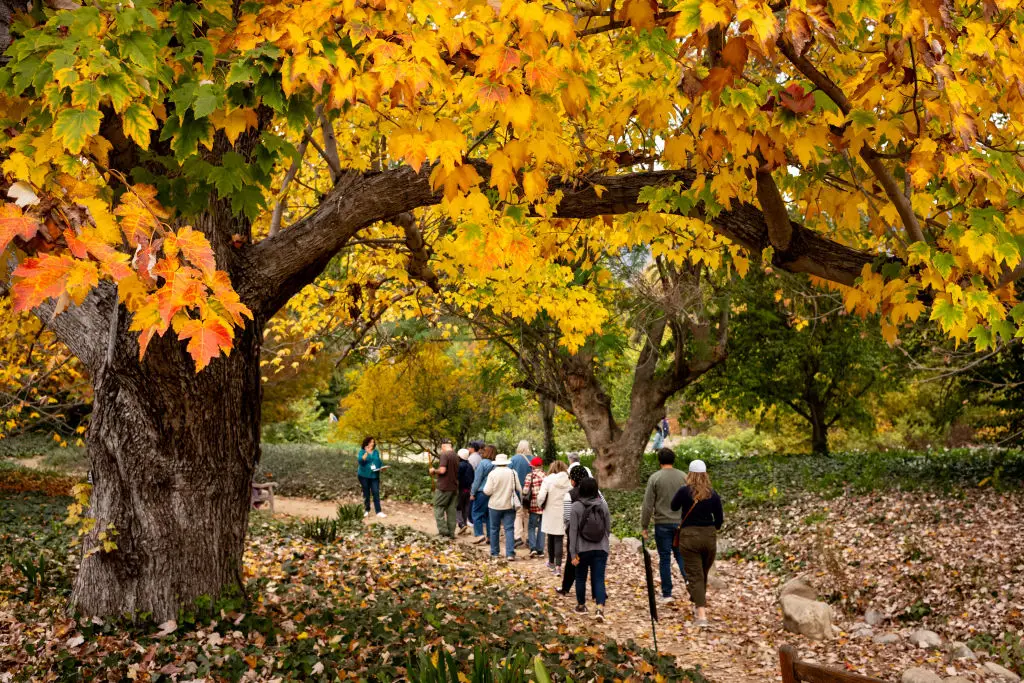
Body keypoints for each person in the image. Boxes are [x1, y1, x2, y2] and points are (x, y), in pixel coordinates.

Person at [670, 459, 724, 627]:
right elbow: (720, 519)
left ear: (690, 474)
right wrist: (712, 527)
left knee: (696, 575)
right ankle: (696, 600)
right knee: (702, 574)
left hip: (689, 537)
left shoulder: (683, 491)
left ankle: (701, 616)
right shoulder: (713, 494)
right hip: (709, 537)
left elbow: (673, 507)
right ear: (705, 474)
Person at [641, 447, 688, 603]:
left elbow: (648, 505)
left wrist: (644, 526)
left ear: (659, 461)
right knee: (681, 555)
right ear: (673, 459)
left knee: (665, 558)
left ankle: (667, 594)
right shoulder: (684, 477)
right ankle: (690, 583)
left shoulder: (655, 478)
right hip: (681, 523)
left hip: (662, 523)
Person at [568, 477, 611, 621]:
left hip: (582, 549)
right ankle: (599, 608)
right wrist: (604, 542)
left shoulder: (576, 507)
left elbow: (572, 531)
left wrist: (573, 553)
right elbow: (608, 528)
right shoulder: (602, 505)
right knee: (599, 578)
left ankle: (581, 605)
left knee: (580, 577)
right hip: (601, 548)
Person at [556, 464, 593, 595]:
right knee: (593, 562)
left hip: (575, 532)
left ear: (574, 480)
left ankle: (566, 587)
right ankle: (597, 592)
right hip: (592, 531)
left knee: (573, 559)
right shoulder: (596, 492)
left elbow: (567, 517)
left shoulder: (570, 495)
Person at [483, 453, 522, 561]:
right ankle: (510, 553)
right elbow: (519, 488)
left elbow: (487, 490)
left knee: (494, 529)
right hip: (509, 505)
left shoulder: (492, 474)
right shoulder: (513, 473)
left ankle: (495, 552)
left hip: (494, 505)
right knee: (509, 529)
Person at [538, 460, 571, 573]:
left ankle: (551, 562)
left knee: (550, 537)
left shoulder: (547, 480)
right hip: (563, 512)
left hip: (549, 511)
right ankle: (558, 567)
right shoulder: (568, 481)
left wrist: (540, 504)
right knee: (559, 539)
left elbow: (541, 496)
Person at [429, 439, 460, 538]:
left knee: (438, 507)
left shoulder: (444, 455)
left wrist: (434, 470)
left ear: (443, 446)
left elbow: (442, 470)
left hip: (444, 487)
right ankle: (451, 533)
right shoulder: (455, 455)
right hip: (454, 487)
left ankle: (443, 532)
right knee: (451, 510)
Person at [469, 445, 496, 544]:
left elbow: (477, 480)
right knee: (489, 515)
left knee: (476, 513)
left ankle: (479, 535)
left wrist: (472, 492)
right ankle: (490, 537)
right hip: (492, 492)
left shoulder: (483, 463)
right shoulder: (496, 465)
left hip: (481, 492)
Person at [509, 440, 532, 546]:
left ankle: (517, 537)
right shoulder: (533, 459)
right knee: (527, 514)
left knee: (518, 514)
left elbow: (509, 474)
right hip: (530, 492)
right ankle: (528, 537)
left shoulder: (513, 459)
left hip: (518, 491)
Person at [522, 456, 547, 557]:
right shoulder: (546, 475)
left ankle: (533, 548)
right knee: (542, 527)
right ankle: (540, 550)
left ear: (532, 466)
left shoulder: (530, 476)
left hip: (533, 505)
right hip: (544, 505)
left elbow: (525, 490)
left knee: (531, 527)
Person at [356, 436, 385, 518]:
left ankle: (378, 511)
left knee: (376, 492)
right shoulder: (362, 451)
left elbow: (378, 461)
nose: (373, 443)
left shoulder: (376, 452)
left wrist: (382, 467)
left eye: (373, 442)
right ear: (367, 443)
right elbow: (361, 461)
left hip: (374, 475)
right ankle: (367, 510)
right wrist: (366, 452)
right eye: (371, 442)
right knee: (366, 493)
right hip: (364, 475)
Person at [456, 448, 475, 534]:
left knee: (457, 507)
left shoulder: (460, 465)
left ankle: (461, 524)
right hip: (468, 489)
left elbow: (457, 477)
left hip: (461, 489)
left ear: (459, 456)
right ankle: (464, 525)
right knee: (465, 508)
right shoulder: (470, 466)